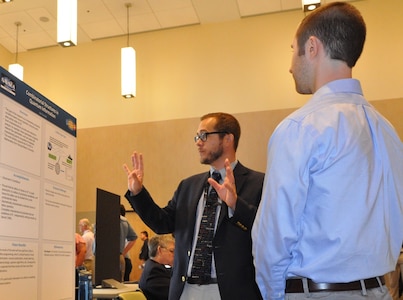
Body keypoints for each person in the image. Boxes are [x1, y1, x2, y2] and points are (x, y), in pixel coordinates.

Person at [252, 2, 403, 300]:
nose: (290, 65)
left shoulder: (299, 128)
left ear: (311, 47)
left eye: (292, 49)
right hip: (380, 290)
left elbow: (274, 238)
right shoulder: (388, 132)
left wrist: (272, 296)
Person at [123, 112, 264, 300]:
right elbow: (162, 223)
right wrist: (138, 193)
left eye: (204, 135)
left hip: (231, 291)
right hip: (186, 290)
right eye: (197, 137)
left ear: (228, 138)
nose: (198, 142)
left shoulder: (258, 183)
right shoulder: (188, 186)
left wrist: (235, 204)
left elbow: (266, 231)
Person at [139, 234, 175, 300]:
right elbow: (175, 293)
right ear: (160, 250)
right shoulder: (154, 271)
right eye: (172, 251)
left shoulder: (153, 266)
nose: (175, 255)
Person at [120, 204, 138, 282]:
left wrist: (122, 253)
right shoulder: (125, 222)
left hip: (123, 258)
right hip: (125, 259)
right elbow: (134, 238)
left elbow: (133, 238)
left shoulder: (122, 222)